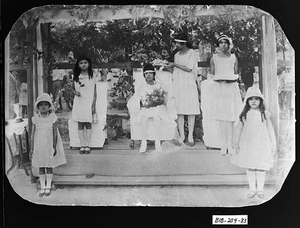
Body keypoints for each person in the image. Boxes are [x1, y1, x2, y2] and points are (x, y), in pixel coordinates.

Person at [231, 86, 277, 199]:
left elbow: (270, 130)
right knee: (250, 166)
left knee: (261, 166)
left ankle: (260, 189)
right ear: (247, 101)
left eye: (256, 99)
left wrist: (273, 145)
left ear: (261, 101)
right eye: (251, 99)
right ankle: (252, 189)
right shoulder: (244, 115)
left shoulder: (265, 115)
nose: (254, 101)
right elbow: (238, 130)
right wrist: (236, 143)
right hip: (248, 145)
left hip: (262, 144)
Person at [127, 63, 177, 153]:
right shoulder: (142, 87)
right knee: (144, 118)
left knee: (157, 117)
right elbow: (137, 98)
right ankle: (143, 142)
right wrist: (140, 105)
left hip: (158, 107)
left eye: (150, 73)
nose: (148, 75)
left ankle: (157, 142)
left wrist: (159, 100)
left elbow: (165, 97)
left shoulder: (159, 85)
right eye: (146, 74)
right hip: (146, 108)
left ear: (153, 74)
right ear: (144, 75)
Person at [207, 34, 243, 155]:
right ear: (218, 45)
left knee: (231, 118)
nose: (223, 45)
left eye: (225, 43)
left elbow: (236, 73)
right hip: (219, 89)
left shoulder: (233, 57)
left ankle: (230, 145)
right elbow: (212, 75)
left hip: (231, 89)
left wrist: (231, 80)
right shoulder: (214, 58)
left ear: (229, 45)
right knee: (222, 118)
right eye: (221, 43)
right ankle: (223, 145)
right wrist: (218, 81)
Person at [166, 33, 200, 146]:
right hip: (178, 84)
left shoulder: (192, 53)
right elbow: (176, 71)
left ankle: (190, 136)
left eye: (177, 43)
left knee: (191, 110)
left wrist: (174, 65)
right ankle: (182, 136)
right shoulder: (176, 55)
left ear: (184, 43)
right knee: (179, 110)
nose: (176, 45)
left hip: (189, 83)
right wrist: (169, 68)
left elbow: (189, 68)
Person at [29, 93, 66, 197]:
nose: (43, 107)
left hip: (49, 145)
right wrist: (32, 148)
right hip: (39, 145)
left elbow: (54, 133)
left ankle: (48, 185)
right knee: (41, 165)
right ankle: (42, 186)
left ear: (49, 106)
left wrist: (54, 146)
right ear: (38, 106)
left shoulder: (52, 118)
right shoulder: (35, 119)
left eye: (46, 104)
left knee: (49, 165)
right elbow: (32, 135)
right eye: (41, 105)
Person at [71, 55, 97, 154]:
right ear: (78, 65)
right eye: (81, 63)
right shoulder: (76, 76)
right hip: (79, 102)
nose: (83, 65)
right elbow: (72, 88)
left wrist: (93, 103)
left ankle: (88, 145)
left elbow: (95, 91)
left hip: (89, 101)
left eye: (85, 63)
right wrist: (75, 92)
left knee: (88, 123)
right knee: (80, 123)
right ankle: (82, 144)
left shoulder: (92, 76)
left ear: (89, 64)